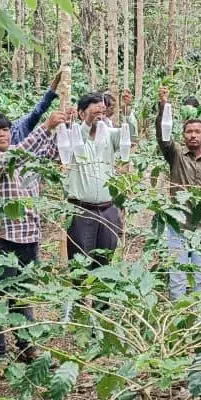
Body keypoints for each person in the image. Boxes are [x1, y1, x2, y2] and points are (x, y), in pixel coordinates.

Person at [0, 109, 66, 364]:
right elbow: (14, 157)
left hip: (28, 237)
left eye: (5, 129)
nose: (2, 134)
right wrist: (45, 126)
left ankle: (28, 349)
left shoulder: (24, 157)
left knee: (22, 296)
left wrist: (62, 129)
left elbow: (50, 156)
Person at [156, 86, 201, 299]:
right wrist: (163, 106)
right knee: (177, 274)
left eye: (198, 131)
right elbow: (162, 137)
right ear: (183, 135)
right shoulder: (176, 153)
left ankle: (199, 315)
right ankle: (177, 315)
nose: (193, 135)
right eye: (189, 132)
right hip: (178, 224)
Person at [64, 91, 137, 269]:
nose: (99, 117)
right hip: (81, 210)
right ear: (81, 113)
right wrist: (88, 121)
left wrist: (128, 112)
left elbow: (129, 136)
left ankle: (102, 298)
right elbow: (76, 142)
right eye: (94, 112)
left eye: (101, 113)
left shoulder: (109, 134)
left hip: (108, 209)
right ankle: (80, 297)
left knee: (105, 263)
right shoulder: (73, 135)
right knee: (79, 264)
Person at [10, 69, 64, 144]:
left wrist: (55, 82)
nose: (2, 133)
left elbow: (37, 111)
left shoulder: (20, 126)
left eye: (4, 129)